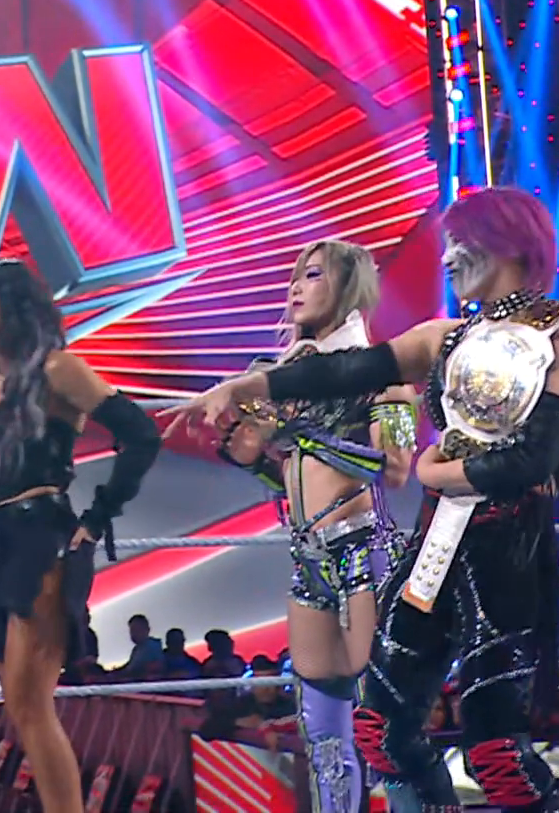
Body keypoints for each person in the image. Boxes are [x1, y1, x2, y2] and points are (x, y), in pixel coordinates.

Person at [165, 186, 559, 813]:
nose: (447, 258)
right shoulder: (444, 338)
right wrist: (246, 385)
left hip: (505, 548)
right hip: (430, 546)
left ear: (506, 243)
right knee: (379, 730)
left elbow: (532, 460)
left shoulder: (557, 335)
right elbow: (347, 370)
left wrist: (434, 468)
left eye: (460, 242)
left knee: (496, 751)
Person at [210, 239, 418, 813]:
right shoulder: (291, 375)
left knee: (380, 721)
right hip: (309, 557)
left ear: (348, 286)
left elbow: (396, 468)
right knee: (323, 730)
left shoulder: (383, 373)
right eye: (295, 277)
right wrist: (255, 460)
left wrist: (303, 435)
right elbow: (296, 479)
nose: (296, 288)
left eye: (313, 275)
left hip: (363, 553)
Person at [0, 258, 163, 813]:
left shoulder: (57, 368)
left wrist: (98, 518)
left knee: (31, 705)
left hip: (43, 535)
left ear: (17, 304)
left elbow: (141, 434)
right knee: (19, 710)